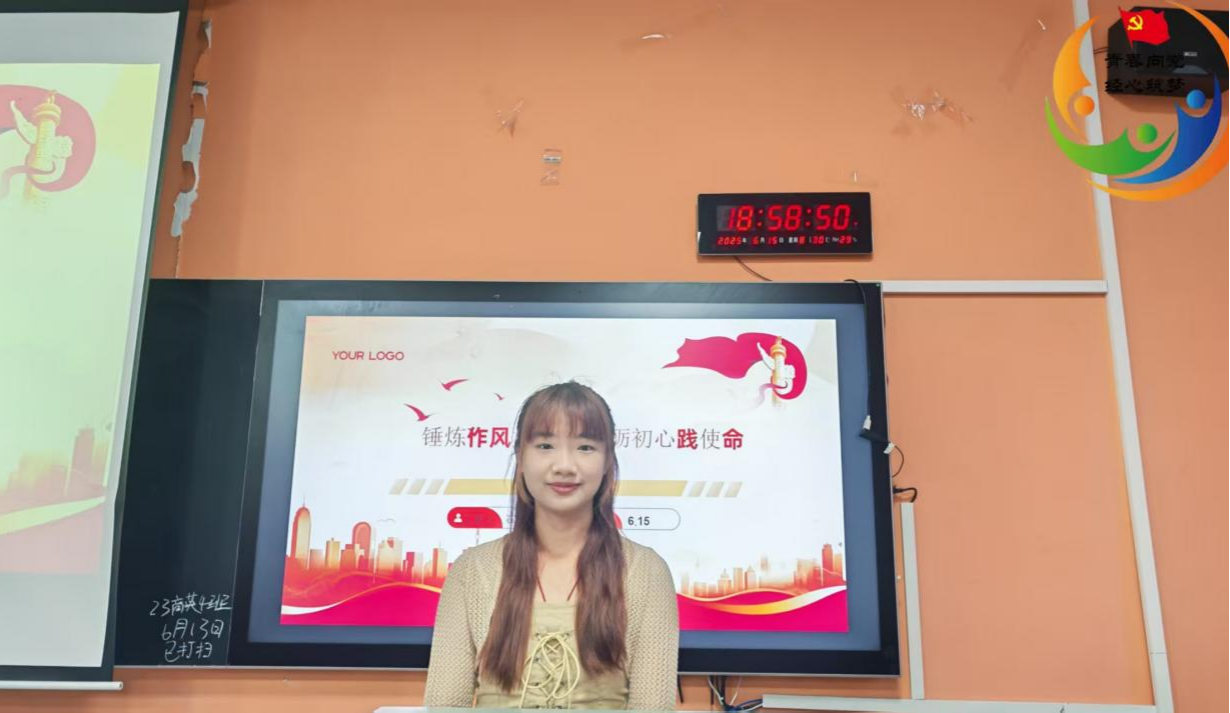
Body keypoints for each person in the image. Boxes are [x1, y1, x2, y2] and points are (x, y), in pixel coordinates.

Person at [424, 381, 679, 710]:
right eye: (545, 445)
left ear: (607, 461)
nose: (564, 466)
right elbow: (444, 706)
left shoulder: (645, 572)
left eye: (585, 447)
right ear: (520, 457)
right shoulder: (472, 570)